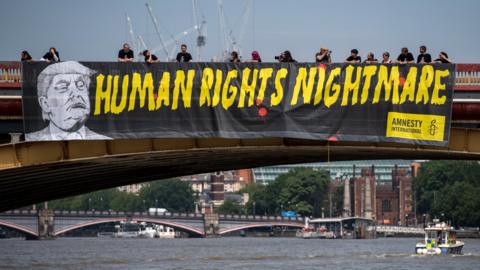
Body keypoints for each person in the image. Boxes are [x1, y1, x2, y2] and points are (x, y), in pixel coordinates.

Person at [25, 61, 111, 141]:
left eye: (81, 85)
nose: (76, 93)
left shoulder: (104, 140)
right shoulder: (30, 140)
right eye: (63, 87)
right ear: (45, 104)